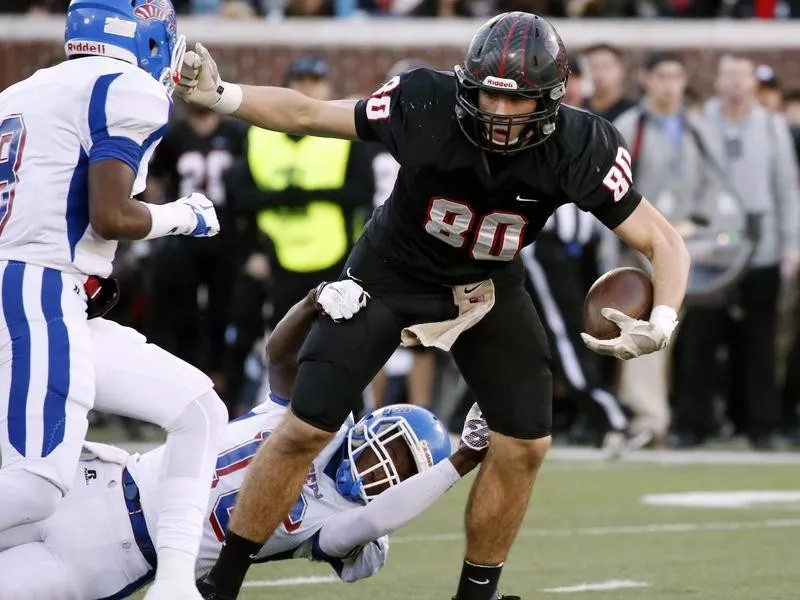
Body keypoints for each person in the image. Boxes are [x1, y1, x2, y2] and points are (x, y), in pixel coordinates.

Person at [178, 11, 690, 600]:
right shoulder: (426, 102)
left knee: (526, 444)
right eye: (488, 97)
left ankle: (476, 595)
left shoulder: (582, 143)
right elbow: (309, 114)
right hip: (389, 273)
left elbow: (663, 241)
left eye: (517, 101)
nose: (498, 113)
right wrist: (224, 95)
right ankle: (223, 581)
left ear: (550, 98)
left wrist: (664, 319)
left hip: (485, 287)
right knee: (305, 428)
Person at [0, 282, 488, 600]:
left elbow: (371, 519)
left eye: (404, 473)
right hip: (94, 486)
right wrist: (312, 301)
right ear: (370, 427)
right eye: (394, 451)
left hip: (112, 561)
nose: (387, 469)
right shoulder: (317, 423)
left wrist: (464, 459)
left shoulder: (348, 526)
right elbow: (280, 356)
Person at [0, 1, 231, 598]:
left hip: (44, 291)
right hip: (36, 287)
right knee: (33, 485)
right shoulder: (127, 87)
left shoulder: (25, 91)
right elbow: (111, 214)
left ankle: (176, 586)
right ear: (150, 36)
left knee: (198, 409)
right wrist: (185, 217)